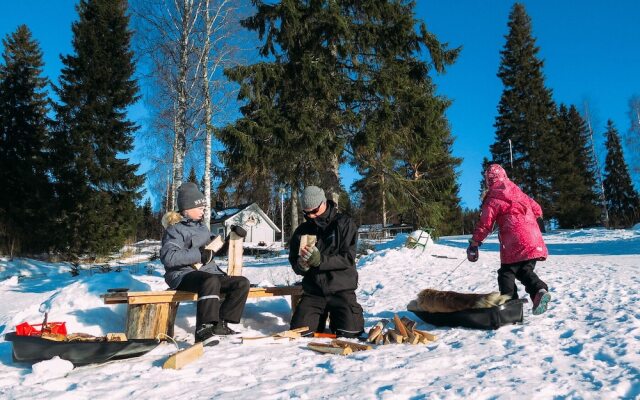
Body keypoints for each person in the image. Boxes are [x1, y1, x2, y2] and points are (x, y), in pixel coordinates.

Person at [160, 182, 250, 343]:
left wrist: (231, 239)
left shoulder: (202, 228)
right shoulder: (175, 230)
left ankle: (220, 324)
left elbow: (214, 251)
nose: (203, 210)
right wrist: (198, 254)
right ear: (187, 209)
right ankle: (204, 329)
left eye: (203, 207)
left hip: (208, 273)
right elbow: (169, 257)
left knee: (241, 283)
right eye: (200, 207)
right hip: (182, 275)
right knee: (210, 281)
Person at [467, 164, 551, 315]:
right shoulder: (518, 192)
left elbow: (485, 224)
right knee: (524, 270)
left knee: (506, 273)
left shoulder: (492, 198)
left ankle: (511, 307)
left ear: (489, 181)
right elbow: (537, 209)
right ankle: (539, 290)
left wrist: (474, 243)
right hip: (533, 239)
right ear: (504, 176)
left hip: (514, 241)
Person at [288, 186, 365, 338]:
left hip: (341, 289)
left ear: (323, 203)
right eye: (306, 213)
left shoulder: (344, 224)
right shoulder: (302, 231)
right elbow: (294, 261)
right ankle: (317, 317)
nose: (311, 216)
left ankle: (341, 318)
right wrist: (301, 265)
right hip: (314, 291)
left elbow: (348, 258)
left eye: (314, 211)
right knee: (300, 333)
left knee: (350, 333)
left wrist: (320, 260)